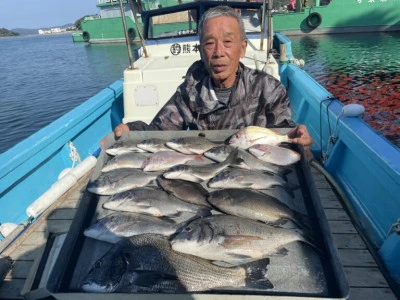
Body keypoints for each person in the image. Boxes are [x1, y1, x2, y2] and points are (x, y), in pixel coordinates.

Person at [104, 5, 313, 149]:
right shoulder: (190, 91)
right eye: (210, 43)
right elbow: (160, 130)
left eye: (228, 42)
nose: (219, 52)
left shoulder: (269, 89)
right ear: (201, 51)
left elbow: (282, 135)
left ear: (242, 49)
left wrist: (297, 139)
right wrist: (132, 129)